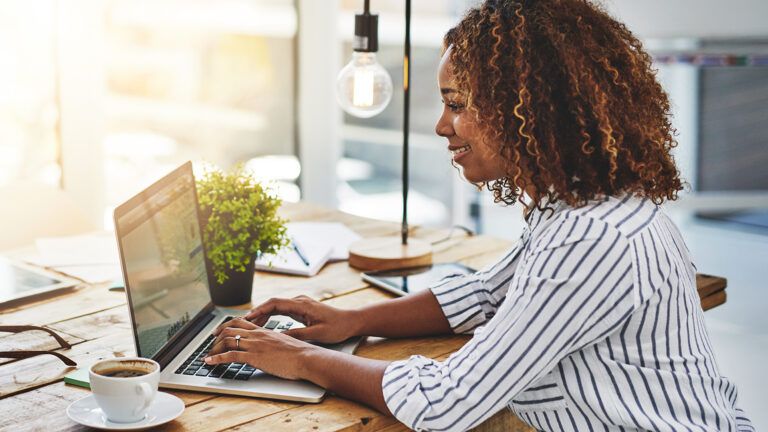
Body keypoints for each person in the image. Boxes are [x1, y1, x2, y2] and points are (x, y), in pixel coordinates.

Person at [204, 0, 754, 430]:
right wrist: (354, 321)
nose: (443, 126)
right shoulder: (580, 202)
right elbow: (487, 294)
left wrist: (297, 358)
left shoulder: (591, 236)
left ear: (528, 110)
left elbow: (448, 403)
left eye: (457, 104)